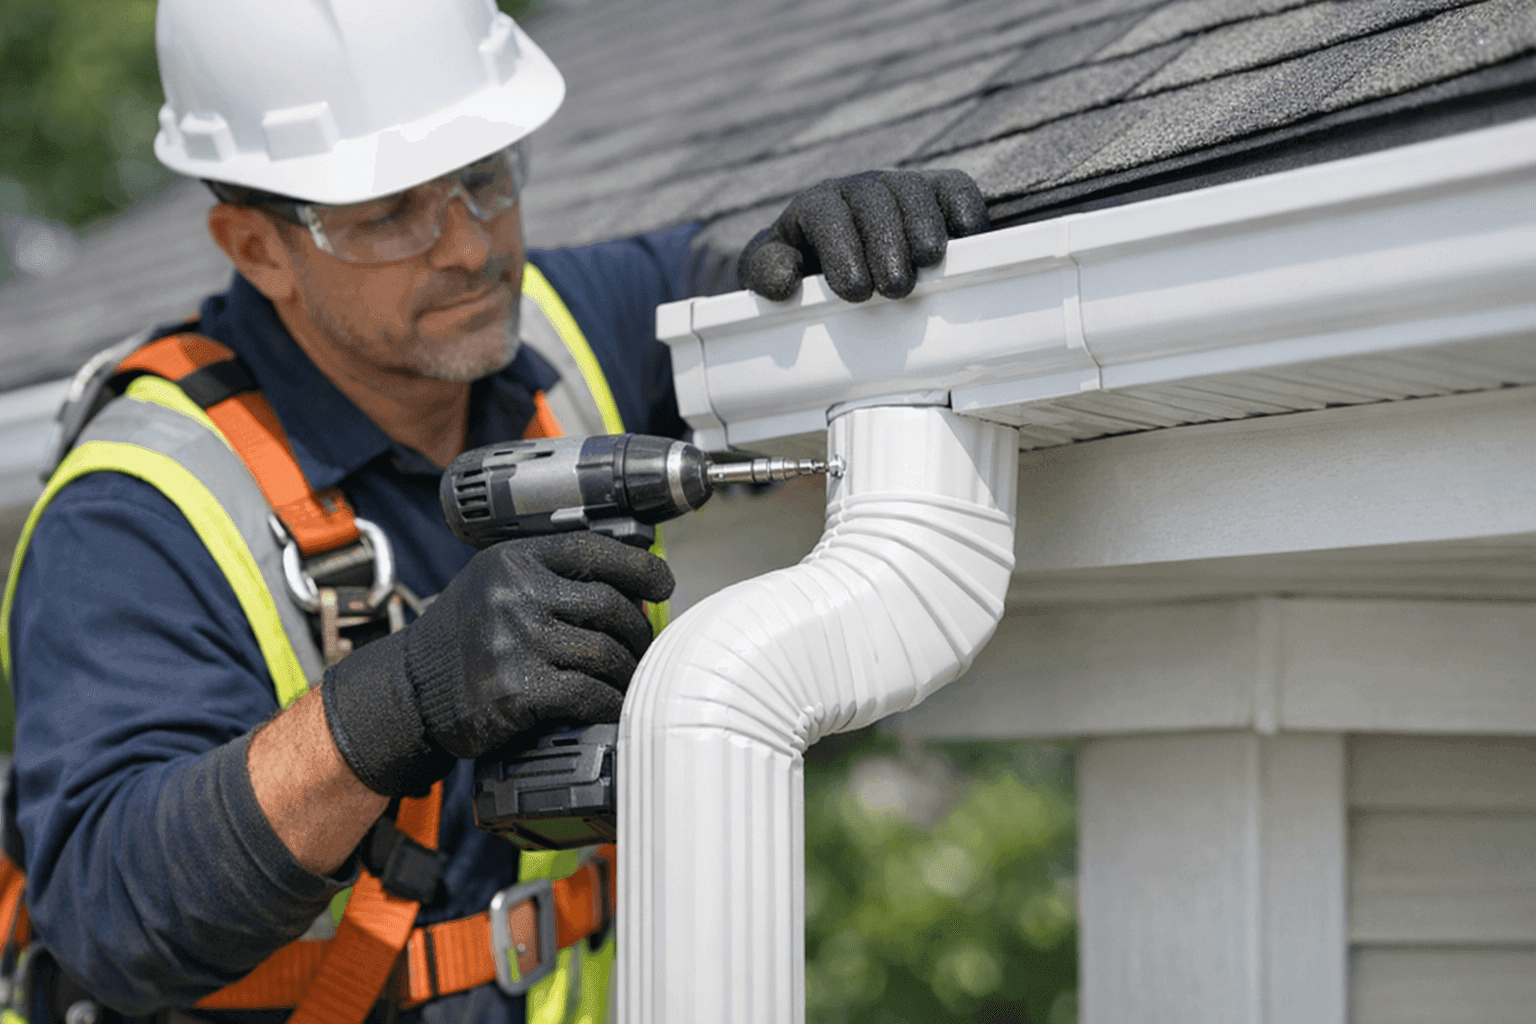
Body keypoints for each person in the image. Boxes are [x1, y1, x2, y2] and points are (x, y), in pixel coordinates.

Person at [0, 2, 990, 1023]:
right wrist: (402, 704)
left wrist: (827, 272)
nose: (469, 247)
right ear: (255, 246)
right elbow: (111, 913)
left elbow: (743, 295)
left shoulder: (572, 325)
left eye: (484, 175)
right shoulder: (137, 512)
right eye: (390, 211)